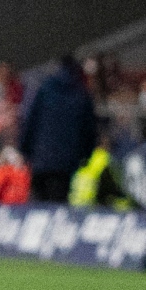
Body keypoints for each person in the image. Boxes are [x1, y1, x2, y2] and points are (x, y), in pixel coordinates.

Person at [18, 57, 97, 203]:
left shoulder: (45, 90)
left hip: (40, 160)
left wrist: (24, 150)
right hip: (65, 163)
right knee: (58, 202)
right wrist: (86, 156)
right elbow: (89, 131)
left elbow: (30, 122)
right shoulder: (81, 95)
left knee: (38, 204)